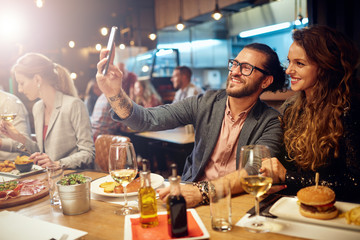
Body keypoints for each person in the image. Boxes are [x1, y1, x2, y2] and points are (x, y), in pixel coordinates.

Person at [96, 43, 289, 206]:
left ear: (266, 81)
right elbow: (147, 120)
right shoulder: (205, 102)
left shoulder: (271, 121)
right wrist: (114, 93)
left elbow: (255, 170)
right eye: (235, 64)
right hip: (189, 197)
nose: (235, 72)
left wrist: (202, 192)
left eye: (246, 68)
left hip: (236, 201)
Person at [267, 25, 360, 203]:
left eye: (299, 63)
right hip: (296, 207)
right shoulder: (292, 108)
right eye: (289, 61)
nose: (288, 70)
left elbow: (355, 184)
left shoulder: (350, 110)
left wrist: (287, 176)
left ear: (325, 67)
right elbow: (286, 166)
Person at [0, 53, 95, 169]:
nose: (19, 89)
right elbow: (40, 152)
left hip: (73, 179)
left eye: (22, 83)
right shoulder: (38, 108)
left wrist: (57, 164)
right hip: (50, 178)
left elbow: (88, 153)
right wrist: (18, 137)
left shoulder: (74, 105)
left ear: (37, 79)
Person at [0, 90, 32, 160]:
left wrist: (1, 143)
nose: (20, 89)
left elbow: (24, 146)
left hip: (15, 165)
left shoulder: (9, 102)